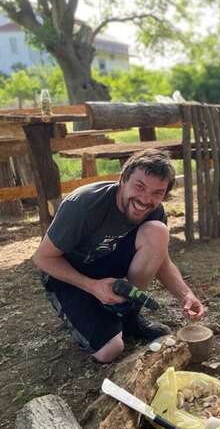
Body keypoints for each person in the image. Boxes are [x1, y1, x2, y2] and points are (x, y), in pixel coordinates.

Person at [32, 148, 205, 362]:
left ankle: (129, 317)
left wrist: (185, 295)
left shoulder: (155, 211)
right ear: (123, 180)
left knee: (157, 232)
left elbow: (161, 261)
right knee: (109, 351)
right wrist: (92, 286)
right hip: (67, 272)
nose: (145, 199)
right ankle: (91, 313)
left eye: (156, 193)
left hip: (106, 260)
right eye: (139, 187)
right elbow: (42, 258)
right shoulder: (85, 204)